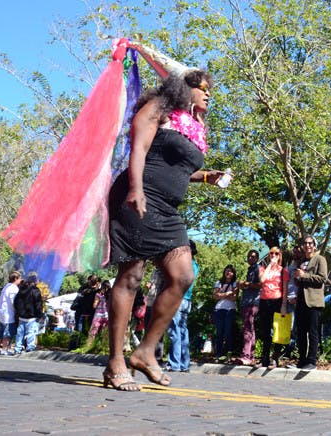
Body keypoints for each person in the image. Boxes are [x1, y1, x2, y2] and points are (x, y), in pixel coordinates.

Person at [104, 68, 225, 391]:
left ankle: (145, 352)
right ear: (182, 88)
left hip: (168, 210)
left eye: (209, 89)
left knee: (183, 275)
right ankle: (116, 361)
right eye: (201, 87)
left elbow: (177, 167)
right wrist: (135, 188)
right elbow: (140, 149)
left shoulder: (192, 126)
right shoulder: (158, 107)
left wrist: (203, 176)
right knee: (131, 276)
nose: (207, 93)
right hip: (138, 196)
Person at [293, 234, 328, 370]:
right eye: (305, 243)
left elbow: (322, 278)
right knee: (300, 332)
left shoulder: (320, 259)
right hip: (301, 301)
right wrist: (297, 277)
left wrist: (304, 275)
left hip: (313, 301)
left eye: (310, 243)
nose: (307, 245)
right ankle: (302, 360)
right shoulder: (301, 261)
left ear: (314, 245)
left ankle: (311, 361)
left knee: (313, 332)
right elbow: (299, 281)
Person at [166, 240, 199, 372]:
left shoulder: (184, 264)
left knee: (175, 332)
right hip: (187, 300)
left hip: (178, 299)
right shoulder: (195, 265)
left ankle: (174, 363)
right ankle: (184, 364)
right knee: (183, 332)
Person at [256, 247, 289, 369]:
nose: (273, 255)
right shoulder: (263, 269)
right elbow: (262, 280)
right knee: (265, 331)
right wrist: (270, 265)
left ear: (280, 255)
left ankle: (275, 359)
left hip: (277, 301)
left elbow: (285, 289)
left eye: (276, 253)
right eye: (271, 253)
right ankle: (264, 358)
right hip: (264, 301)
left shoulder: (283, 271)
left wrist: (284, 305)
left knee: (277, 331)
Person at [235, 250, 261, 366]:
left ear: (257, 258)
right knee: (250, 328)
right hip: (246, 301)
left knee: (247, 329)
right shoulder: (250, 269)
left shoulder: (258, 269)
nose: (250, 258)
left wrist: (246, 284)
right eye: (249, 256)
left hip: (252, 302)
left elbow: (260, 284)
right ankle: (250, 356)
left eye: (253, 256)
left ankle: (245, 355)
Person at [13, 273, 44, 354]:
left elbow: (15, 302)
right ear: (35, 281)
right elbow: (38, 304)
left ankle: (17, 348)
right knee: (31, 333)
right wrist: (39, 315)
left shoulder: (21, 289)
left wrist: (19, 312)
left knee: (20, 334)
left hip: (21, 316)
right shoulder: (35, 290)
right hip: (31, 316)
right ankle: (30, 348)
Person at [213, 265, 239, 360]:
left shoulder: (235, 284)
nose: (228, 273)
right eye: (226, 271)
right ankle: (218, 354)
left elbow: (234, 297)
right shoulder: (218, 283)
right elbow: (215, 296)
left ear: (233, 273)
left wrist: (221, 294)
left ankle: (229, 354)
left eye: (230, 271)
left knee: (228, 332)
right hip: (219, 310)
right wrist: (227, 294)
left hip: (230, 310)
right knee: (219, 332)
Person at [0, 271, 22, 355]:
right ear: (15, 279)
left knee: (0, 333)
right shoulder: (14, 288)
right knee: (8, 333)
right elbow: (14, 302)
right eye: (19, 278)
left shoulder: (6, 287)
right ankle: (4, 350)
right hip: (9, 314)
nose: (20, 280)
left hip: (2, 313)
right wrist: (18, 310)